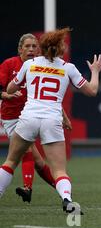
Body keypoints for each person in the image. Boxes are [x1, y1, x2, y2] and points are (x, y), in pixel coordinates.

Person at [0, 27, 101, 213]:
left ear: (42, 47)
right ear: (60, 48)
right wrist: (95, 71)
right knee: (59, 171)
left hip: (28, 117)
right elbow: (92, 91)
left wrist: (16, 82)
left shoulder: (29, 64)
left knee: (10, 162)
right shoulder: (68, 68)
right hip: (51, 120)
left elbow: (9, 89)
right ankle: (67, 199)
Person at [0, 33, 65, 203]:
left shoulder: (40, 65)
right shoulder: (9, 64)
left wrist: (63, 116)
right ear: (20, 49)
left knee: (38, 162)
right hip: (13, 117)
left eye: (34, 46)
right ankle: (28, 188)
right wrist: (6, 96)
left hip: (31, 117)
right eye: (27, 46)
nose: (31, 49)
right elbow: (2, 88)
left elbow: (51, 97)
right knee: (27, 152)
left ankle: (64, 191)